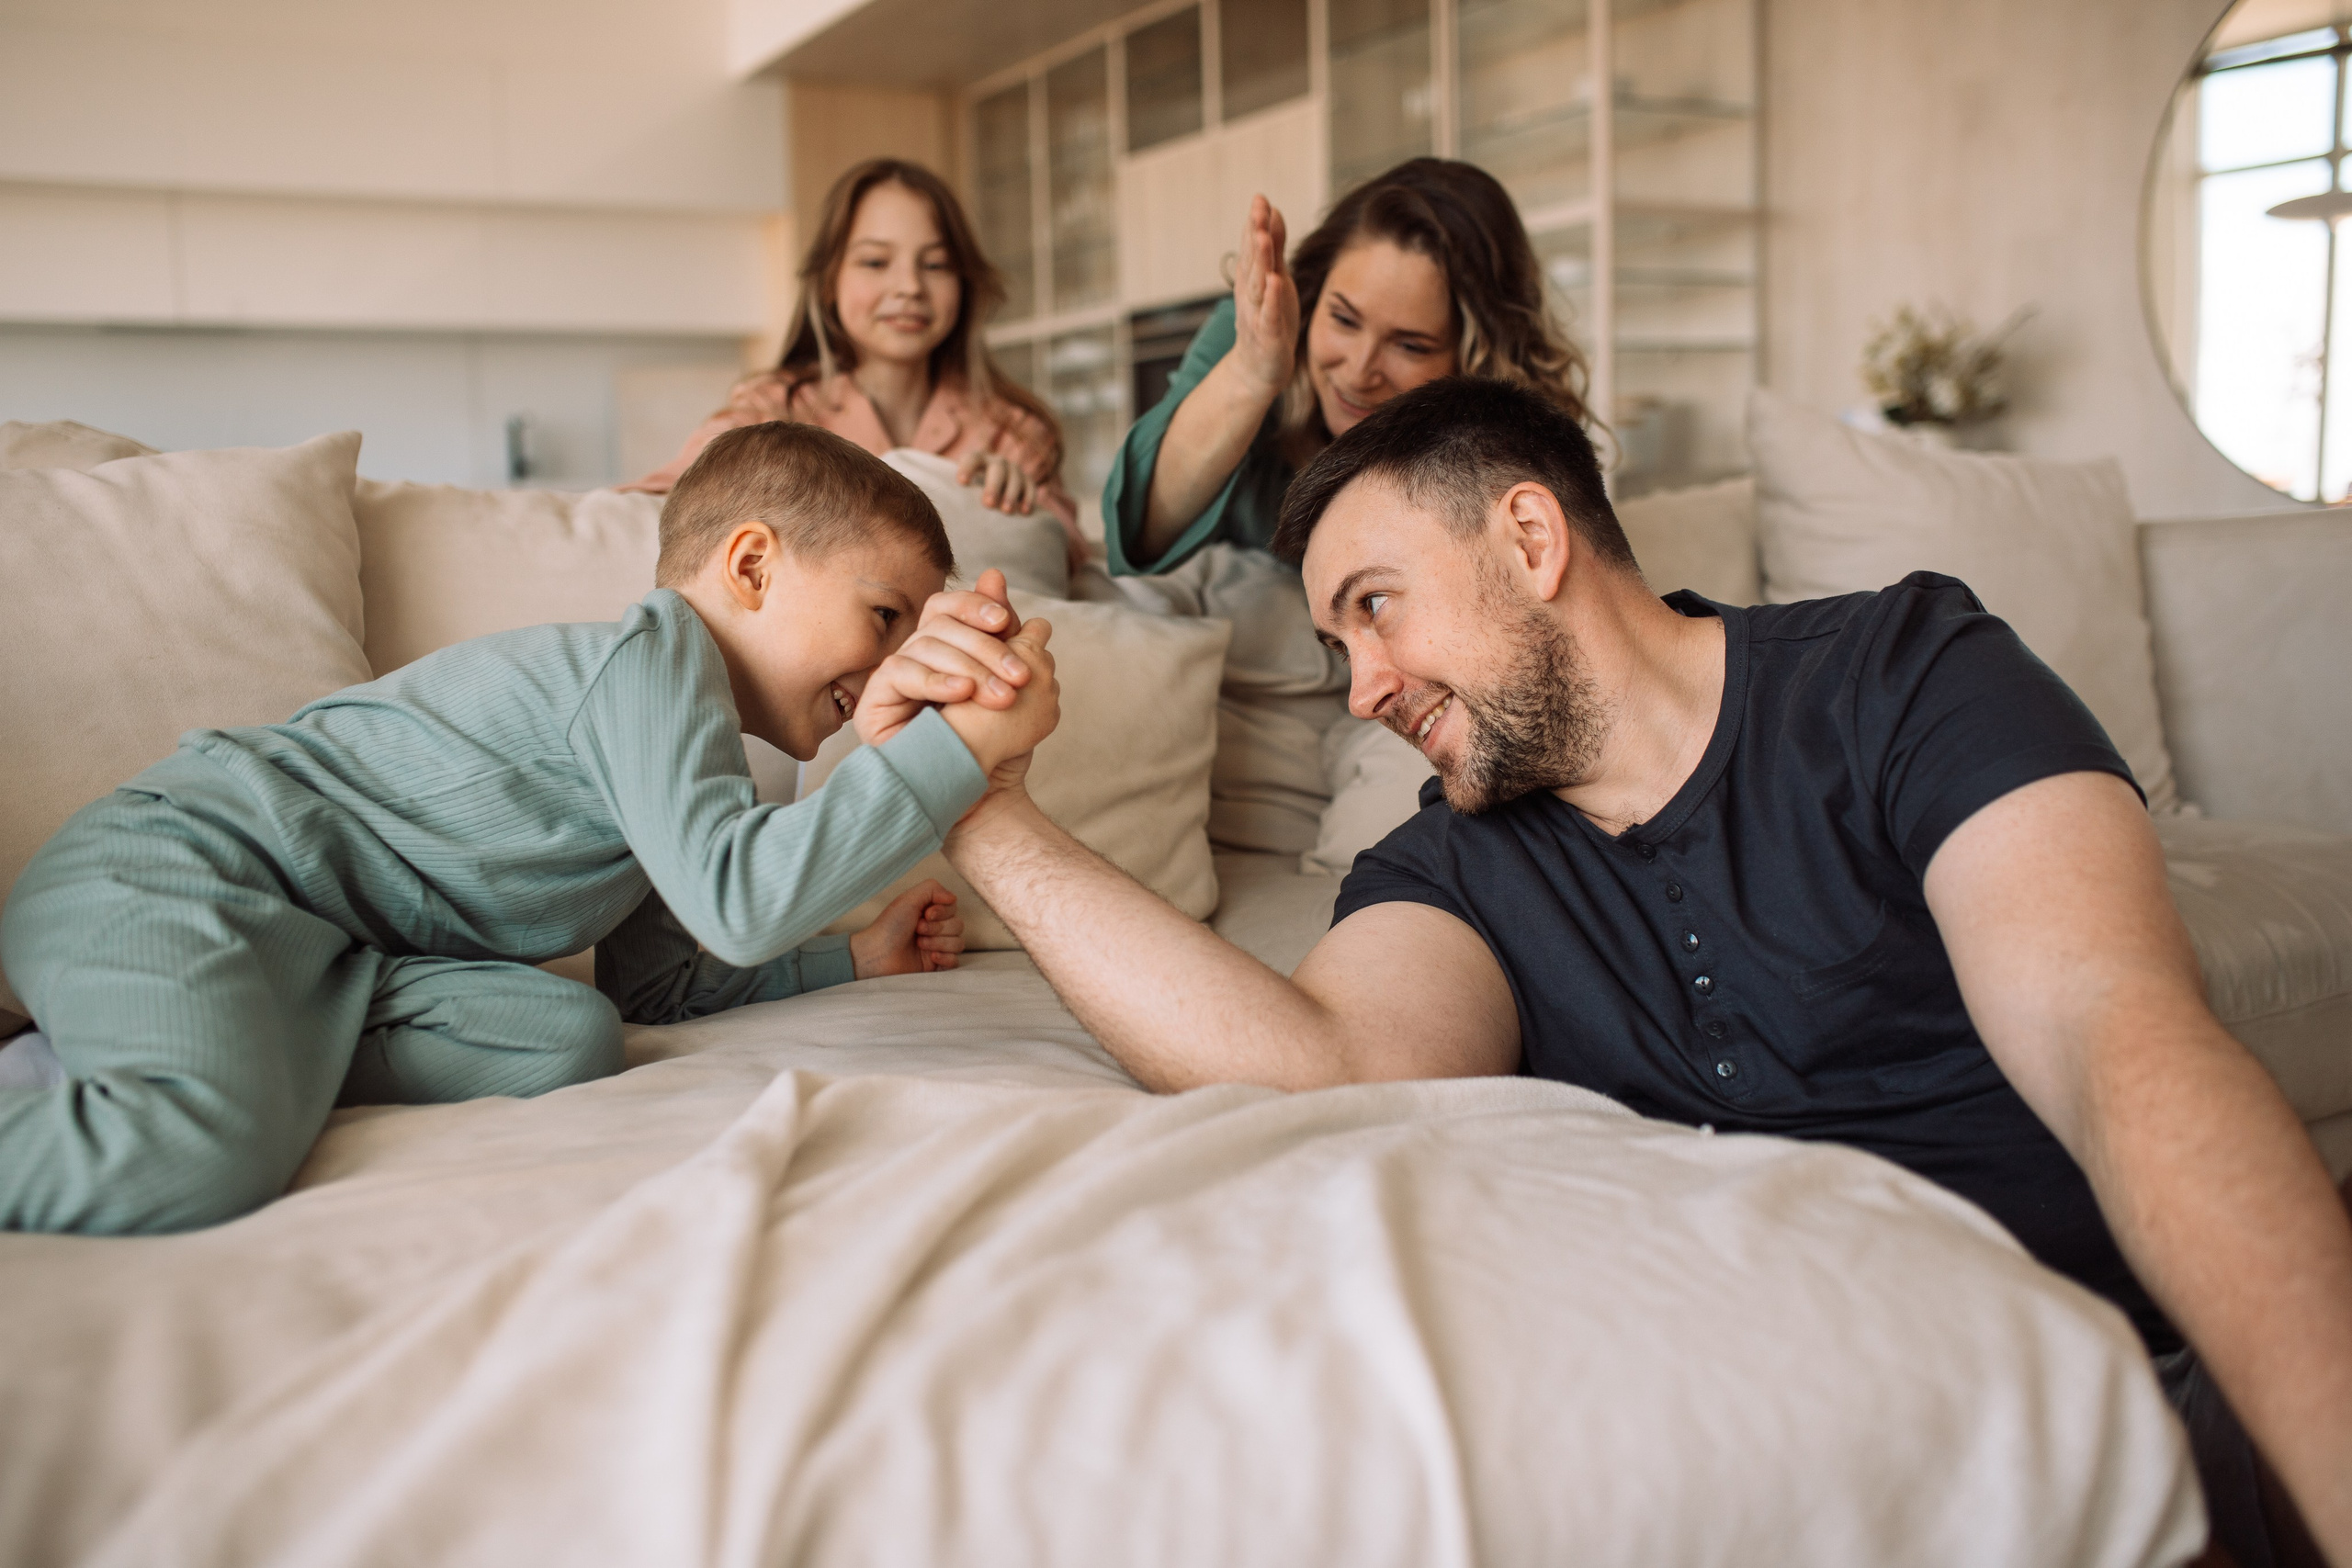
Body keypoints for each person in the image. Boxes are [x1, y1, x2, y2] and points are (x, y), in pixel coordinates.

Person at [943, 378, 2352, 1567]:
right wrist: (976, 806)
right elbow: (1326, 1061)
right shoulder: (1458, 861)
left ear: (1533, 534)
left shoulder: (1906, 676)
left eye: (1375, 606)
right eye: (1335, 644)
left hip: (2137, 1407)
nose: (1361, 684)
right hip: (1803, 1483)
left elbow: (2117, 1037)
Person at [0, 422, 1060, 1236]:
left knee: (567, 1040)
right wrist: (952, 751)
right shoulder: (649, 661)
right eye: (884, 619)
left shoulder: (690, 764)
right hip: (176, 871)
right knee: (201, 1153)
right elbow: (739, 904)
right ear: (749, 568)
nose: (889, 669)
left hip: (327, 959)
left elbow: (660, 989)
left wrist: (850, 962)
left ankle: (187, 1046)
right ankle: (182, 1076)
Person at [1103, 157, 1591, 579]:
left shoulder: (1503, 431)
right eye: (1343, 318)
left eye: (1410, 345)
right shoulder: (1256, 326)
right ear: (1315, 294)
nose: (1360, 371)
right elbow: (1136, 532)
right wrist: (1252, 373)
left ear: (1475, 362)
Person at [625, 158, 1086, 572]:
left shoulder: (1013, 433)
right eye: (875, 261)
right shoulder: (773, 408)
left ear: (964, 285)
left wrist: (1024, 505)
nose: (908, 287)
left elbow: (1071, 558)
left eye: (937, 265)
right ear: (829, 281)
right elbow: (661, 506)